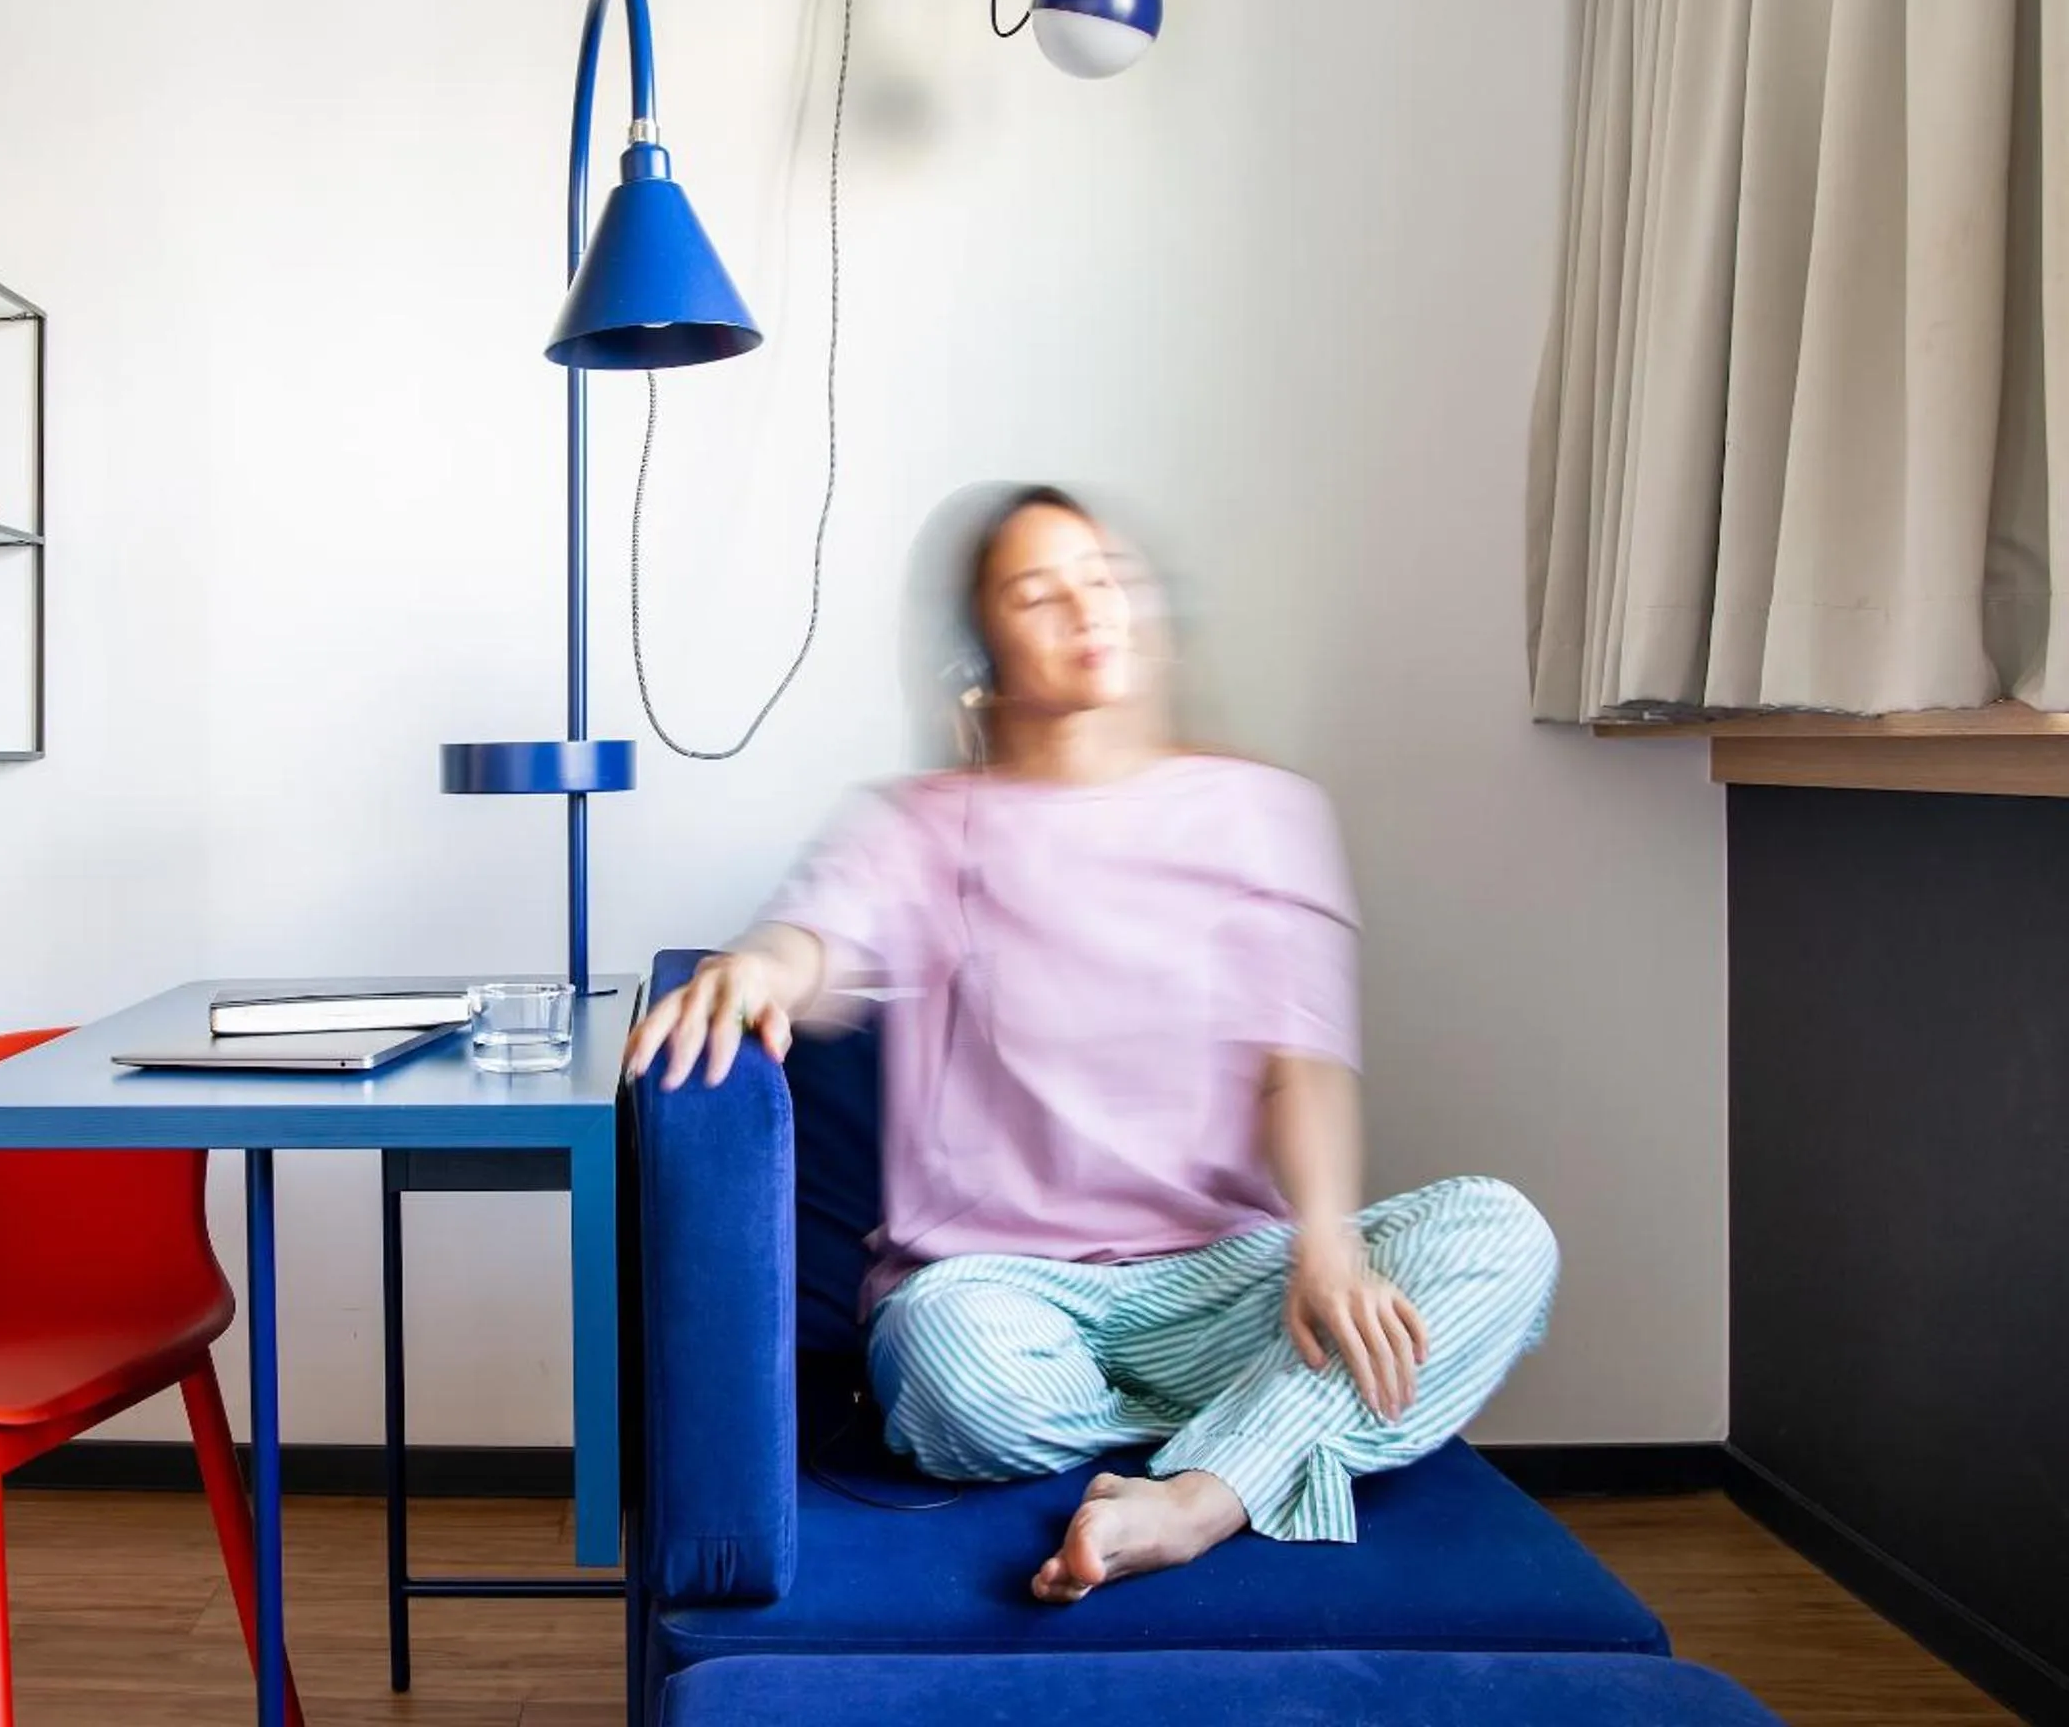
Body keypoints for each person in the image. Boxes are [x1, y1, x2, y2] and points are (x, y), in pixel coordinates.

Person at [625, 485, 1559, 1604]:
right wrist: (758, 967)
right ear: (984, 652)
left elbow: (1301, 1061)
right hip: (996, 1293)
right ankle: (1281, 1434)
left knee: (1504, 1237)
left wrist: (1325, 1244)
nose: (1087, 608)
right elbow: (817, 938)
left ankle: (1198, 1500)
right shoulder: (924, 823)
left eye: (1103, 578)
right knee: (956, 1374)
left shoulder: (1258, 813)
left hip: (1224, 1277)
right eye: (1037, 592)